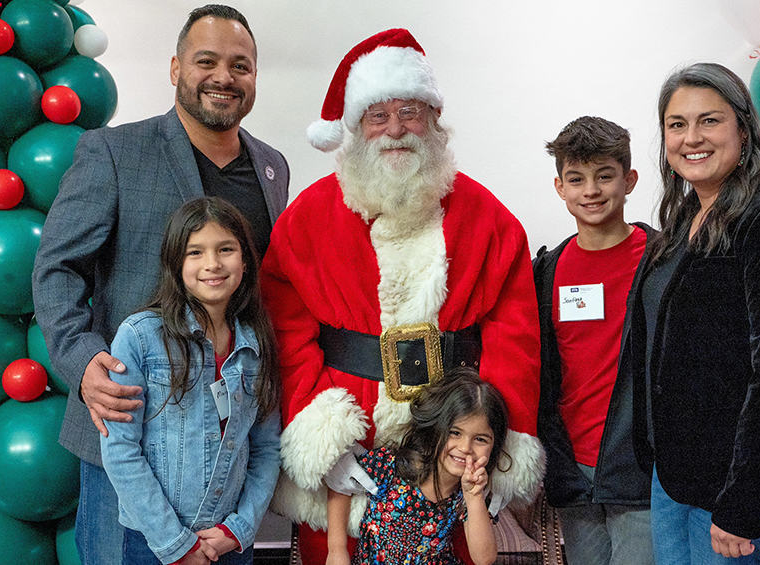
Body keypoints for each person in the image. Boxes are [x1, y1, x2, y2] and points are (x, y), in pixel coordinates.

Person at [260, 28, 543, 565]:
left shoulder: (489, 218)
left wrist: (501, 442)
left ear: (434, 118)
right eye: (378, 115)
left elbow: (516, 340)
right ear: (355, 127)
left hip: (451, 441)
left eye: (409, 112)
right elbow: (283, 331)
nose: (394, 129)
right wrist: (319, 432)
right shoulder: (308, 217)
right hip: (354, 439)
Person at [32, 5, 289, 564]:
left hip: (225, 457)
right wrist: (84, 362)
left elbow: (260, 295)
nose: (224, 77)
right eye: (206, 61)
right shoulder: (113, 152)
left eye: (240, 65)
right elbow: (56, 268)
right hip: (126, 439)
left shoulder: (273, 167)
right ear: (176, 68)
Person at [623, 62, 760, 565]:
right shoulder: (684, 217)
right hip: (679, 477)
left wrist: (743, 504)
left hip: (741, 490)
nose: (691, 138)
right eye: (677, 124)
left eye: (710, 120)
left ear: (743, 129)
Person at [100, 197, 280, 565]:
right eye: (195, 252)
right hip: (154, 543)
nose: (212, 264)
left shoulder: (256, 342)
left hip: (227, 543)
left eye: (225, 249)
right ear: (175, 263)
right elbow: (120, 449)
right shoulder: (139, 337)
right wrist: (176, 544)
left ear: (245, 260)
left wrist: (239, 529)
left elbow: (266, 449)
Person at [533, 116, 655, 565]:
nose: (591, 191)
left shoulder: (661, 261)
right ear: (559, 187)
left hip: (642, 470)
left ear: (629, 180)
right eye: (576, 179)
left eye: (605, 176)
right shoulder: (546, 272)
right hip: (573, 473)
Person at [325, 368, 503, 565]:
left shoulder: (469, 490)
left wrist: (474, 496)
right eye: (455, 433)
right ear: (435, 428)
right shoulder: (391, 466)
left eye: (480, 439)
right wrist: (336, 549)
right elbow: (340, 486)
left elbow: (484, 558)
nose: (465, 448)